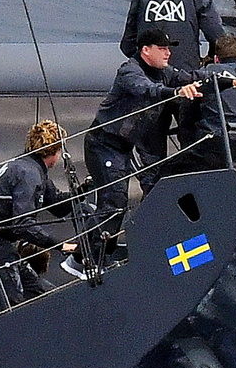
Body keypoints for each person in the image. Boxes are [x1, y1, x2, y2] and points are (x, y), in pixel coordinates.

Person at [85, 38, 205, 256]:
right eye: (162, 48)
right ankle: (90, 258)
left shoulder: (166, 72)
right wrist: (176, 93)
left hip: (126, 146)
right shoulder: (129, 71)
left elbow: (192, 77)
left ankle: (98, 254)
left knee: (140, 192)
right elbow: (147, 90)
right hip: (102, 143)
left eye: (169, 49)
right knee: (114, 200)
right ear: (146, 50)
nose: (168, 53)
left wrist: (228, 81)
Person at [121, 0, 232, 165]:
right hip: (186, 84)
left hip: (149, 86)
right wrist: (205, 61)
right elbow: (219, 40)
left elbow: (126, 45)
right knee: (192, 149)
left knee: (151, 158)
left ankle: (152, 196)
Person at [0, 119, 72, 314]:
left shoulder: (30, 167)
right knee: (11, 302)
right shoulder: (28, 174)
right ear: (53, 151)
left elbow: (57, 204)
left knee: (41, 290)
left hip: (0, 240)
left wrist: (81, 192)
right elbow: (22, 224)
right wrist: (62, 245)